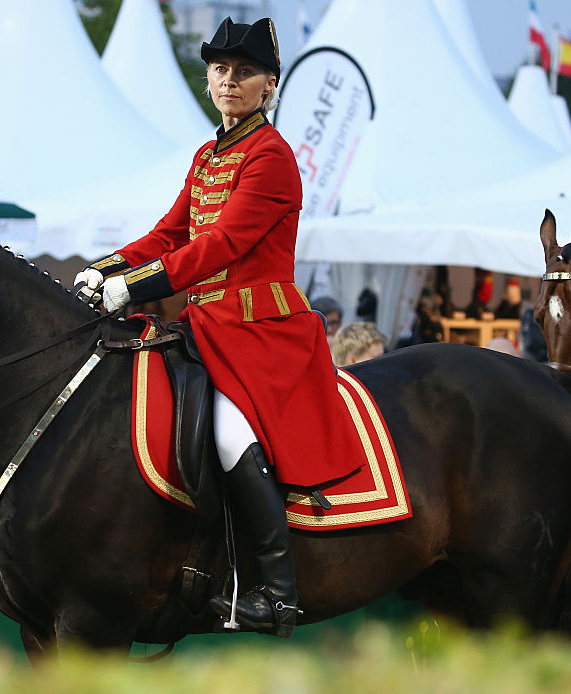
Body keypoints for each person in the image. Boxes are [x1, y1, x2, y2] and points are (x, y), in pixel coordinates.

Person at [73, 16, 360, 638]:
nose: (230, 81)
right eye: (221, 70)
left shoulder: (273, 156)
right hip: (207, 324)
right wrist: (105, 267)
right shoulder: (210, 154)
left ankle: (277, 592)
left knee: (229, 435)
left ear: (269, 85)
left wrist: (138, 287)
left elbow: (224, 243)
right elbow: (171, 232)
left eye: (245, 72)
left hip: (263, 330)